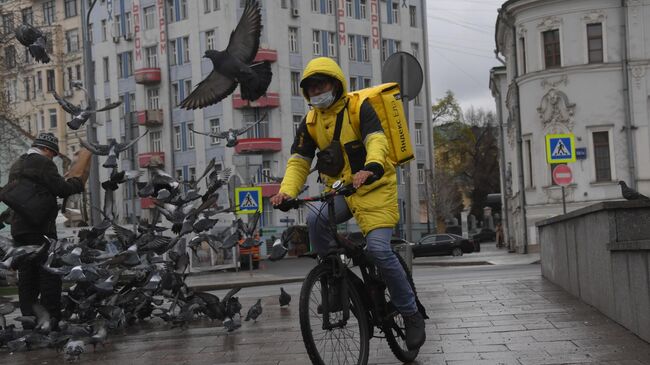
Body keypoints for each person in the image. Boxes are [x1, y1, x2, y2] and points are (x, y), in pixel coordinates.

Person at [270, 57, 425, 350]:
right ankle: (332, 282)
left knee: (379, 249)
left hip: (374, 186)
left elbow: (377, 141)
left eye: (322, 85)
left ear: (337, 84)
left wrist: (372, 166)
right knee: (316, 217)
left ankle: (410, 311)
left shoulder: (358, 107)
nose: (317, 92)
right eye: (311, 87)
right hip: (341, 190)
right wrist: (286, 192)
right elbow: (299, 162)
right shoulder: (310, 122)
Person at [8, 132, 84, 328]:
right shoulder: (43, 163)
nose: (53, 158)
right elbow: (61, 189)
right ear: (48, 150)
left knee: (27, 277)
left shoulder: (17, 164)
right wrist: (77, 183)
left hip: (19, 229)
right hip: (40, 227)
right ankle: (51, 320)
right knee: (49, 273)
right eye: (54, 154)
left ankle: (30, 320)